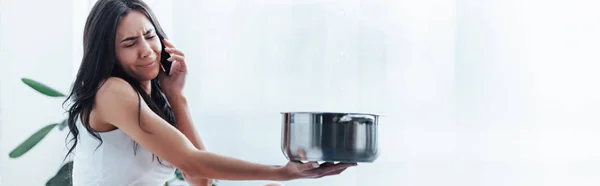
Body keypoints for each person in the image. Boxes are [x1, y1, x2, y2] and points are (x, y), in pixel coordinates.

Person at [63, 0, 356, 186]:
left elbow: (200, 180)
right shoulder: (111, 92)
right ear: (108, 54)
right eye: (129, 43)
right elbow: (192, 162)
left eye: (150, 36)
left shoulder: (152, 100)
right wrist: (281, 171)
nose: (146, 51)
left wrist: (177, 97)